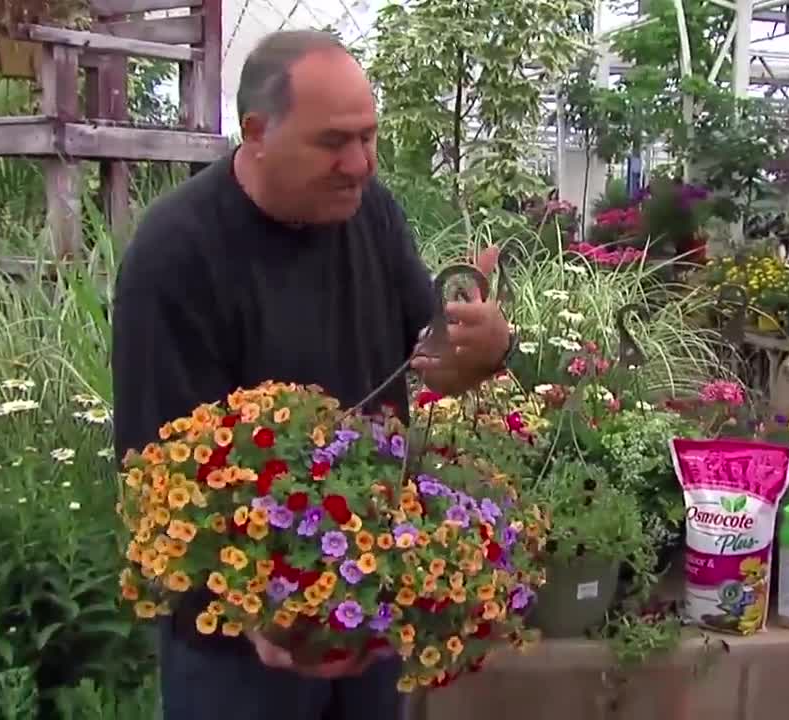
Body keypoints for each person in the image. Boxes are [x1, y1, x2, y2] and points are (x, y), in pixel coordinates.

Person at [111, 30, 514, 720]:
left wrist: (486, 350)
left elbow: (428, 356)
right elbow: (157, 470)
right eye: (334, 142)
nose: (359, 164)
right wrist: (256, 611)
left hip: (362, 600)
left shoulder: (369, 212)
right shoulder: (176, 254)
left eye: (369, 137)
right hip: (238, 654)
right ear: (257, 132)